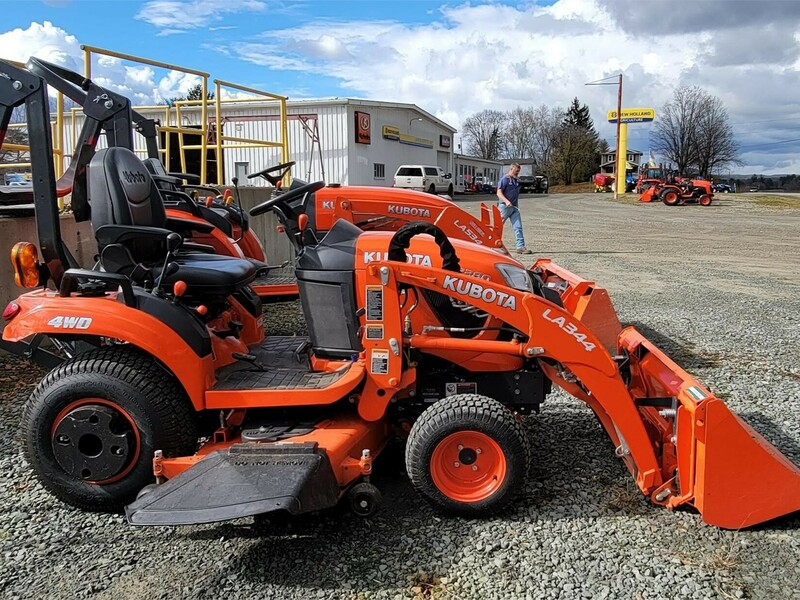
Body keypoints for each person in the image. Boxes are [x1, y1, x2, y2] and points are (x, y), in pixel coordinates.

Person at [496, 163, 531, 254]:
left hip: (514, 207)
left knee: (518, 227)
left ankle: (520, 246)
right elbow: (499, 193)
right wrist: (506, 201)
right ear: (511, 169)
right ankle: (493, 245)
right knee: (498, 227)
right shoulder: (504, 180)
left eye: (518, 172)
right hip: (504, 207)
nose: (517, 173)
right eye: (516, 171)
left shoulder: (516, 180)